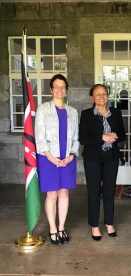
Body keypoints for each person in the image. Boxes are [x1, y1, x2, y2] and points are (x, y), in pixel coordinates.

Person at [35, 74, 79, 245]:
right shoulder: (43, 109)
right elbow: (39, 136)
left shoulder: (73, 112)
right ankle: (52, 228)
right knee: (52, 194)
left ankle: (62, 227)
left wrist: (71, 156)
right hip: (48, 158)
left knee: (64, 193)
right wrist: (51, 157)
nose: (60, 89)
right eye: (56, 86)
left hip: (67, 158)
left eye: (63, 86)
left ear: (66, 90)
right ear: (51, 89)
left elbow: (76, 138)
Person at [79, 84, 126, 241]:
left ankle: (109, 223)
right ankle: (94, 226)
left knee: (109, 191)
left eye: (104, 94)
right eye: (97, 94)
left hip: (111, 157)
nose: (101, 97)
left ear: (108, 96)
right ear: (92, 97)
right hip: (92, 158)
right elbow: (83, 138)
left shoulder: (116, 113)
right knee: (93, 193)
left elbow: (123, 135)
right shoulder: (86, 114)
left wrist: (115, 135)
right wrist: (102, 137)